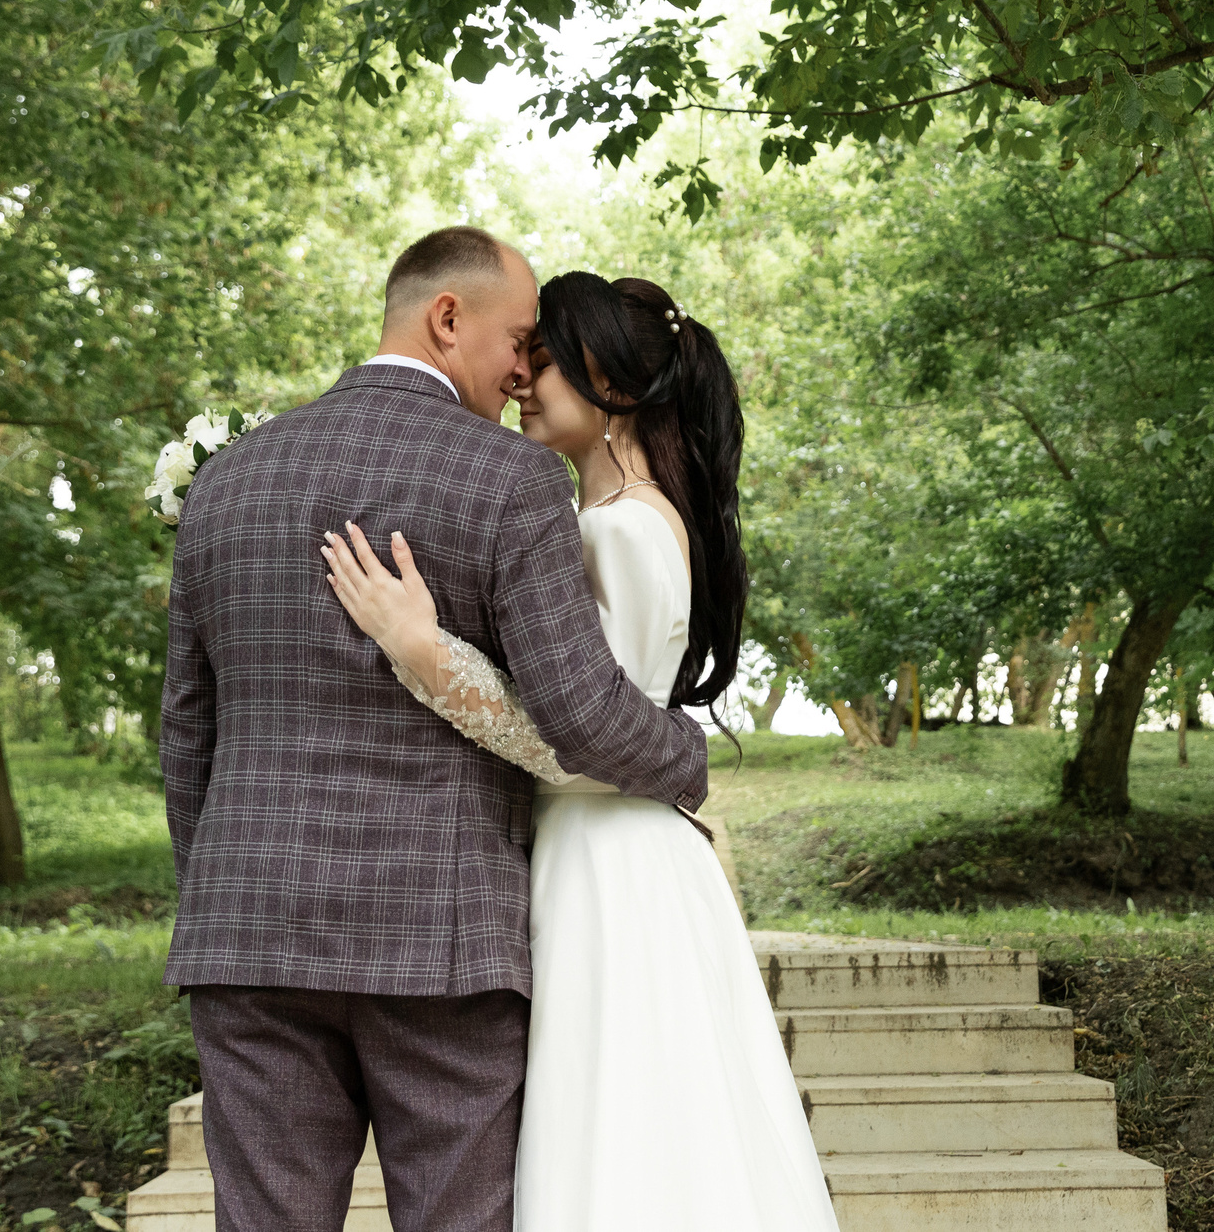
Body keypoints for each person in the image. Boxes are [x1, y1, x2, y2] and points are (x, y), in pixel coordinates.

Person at [161, 227, 710, 1232]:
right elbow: (582, 712)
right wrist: (687, 755)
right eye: (518, 340)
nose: (522, 370)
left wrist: (221, 896)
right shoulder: (510, 480)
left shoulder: (224, 483)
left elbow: (188, 732)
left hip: (248, 939)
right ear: (447, 318)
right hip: (443, 948)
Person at [321, 269, 839, 1232]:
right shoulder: (616, 518)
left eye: (545, 359)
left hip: (608, 861)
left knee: (624, 1133)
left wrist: (425, 653)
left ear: (613, 385)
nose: (521, 378)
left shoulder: (624, 529)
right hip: (608, 850)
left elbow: (588, 742)